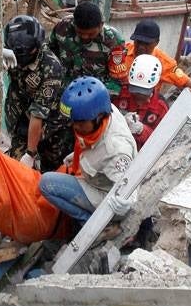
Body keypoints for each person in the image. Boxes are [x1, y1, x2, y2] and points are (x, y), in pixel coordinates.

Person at [39, 77, 137, 227]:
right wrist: (78, 154)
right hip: (97, 178)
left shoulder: (116, 150)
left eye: (80, 123)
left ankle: (91, 225)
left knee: (46, 184)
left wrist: (127, 202)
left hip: (106, 197)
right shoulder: (103, 110)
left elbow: (129, 185)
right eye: (73, 121)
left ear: (98, 118)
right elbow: (92, 143)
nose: (75, 126)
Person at [2, 15, 68, 172]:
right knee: (17, 170)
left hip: (50, 124)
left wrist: (30, 154)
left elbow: (38, 114)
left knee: (52, 169)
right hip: (19, 117)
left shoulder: (51, 68)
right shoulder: (10, 53)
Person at [125, 18, 191, 106]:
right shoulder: (122, 52)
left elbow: (185, 81)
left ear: (156, 43)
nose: (141, 47)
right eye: (138, 42)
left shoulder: (164, 63)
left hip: (145, 107)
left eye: (146, 43)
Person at [48, 1, 128, 96]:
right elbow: (50, 54)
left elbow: (116, 81)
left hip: (95, 95)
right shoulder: (62, 27)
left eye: (91, 34)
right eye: (80, 33)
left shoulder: (113, 41)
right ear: (74, 24)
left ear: (101, 25)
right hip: (64, 91)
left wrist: (97, 98)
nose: (85, 37)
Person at [114, 53, 169, 149]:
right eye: (135, 91)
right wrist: (120, 120)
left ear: (154, 85)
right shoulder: (120, 93)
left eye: (143, 92)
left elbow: (162, 141)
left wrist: (142, 130)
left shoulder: (161, 108)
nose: (138, 96)